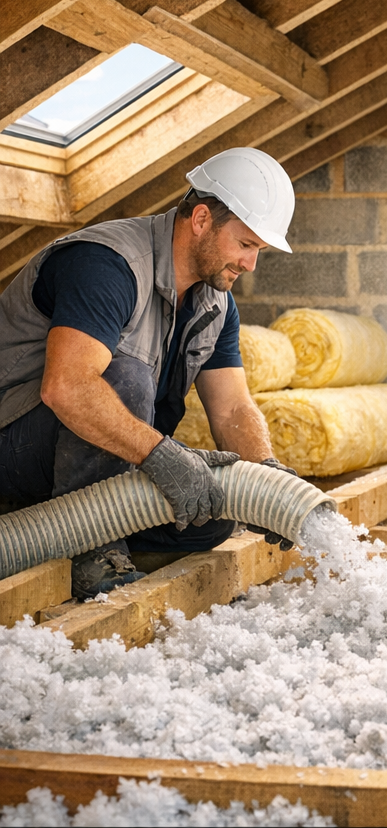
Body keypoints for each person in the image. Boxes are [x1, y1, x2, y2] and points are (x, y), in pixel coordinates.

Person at [0, 148, 297, 599]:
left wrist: (266, 477)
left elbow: (233, 405)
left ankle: (63, 535)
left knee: (215, 510)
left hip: (92, 463)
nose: (251, 264)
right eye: (246, 244)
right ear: (201, 219)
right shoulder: (106, 264)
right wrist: (162, 455)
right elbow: (67, 386)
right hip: (14, 442)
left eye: (259, 249)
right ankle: (91, 549)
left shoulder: (216, 303)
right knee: (126, 380)